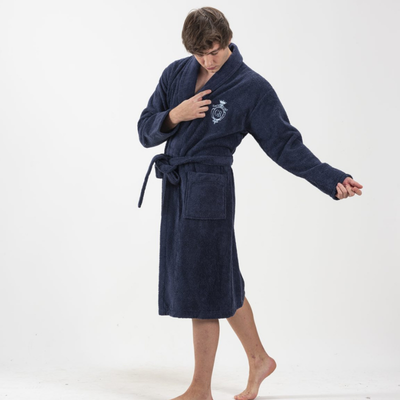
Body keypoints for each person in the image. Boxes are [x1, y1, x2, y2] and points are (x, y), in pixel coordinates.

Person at [138, 7, 363, 400]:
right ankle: (260, 359)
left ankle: (200, 389)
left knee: (203, 287)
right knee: (220, 278)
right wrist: (175, 115)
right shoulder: (175, 73)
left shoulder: (251, 87)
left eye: (214, 51)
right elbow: (145, 130)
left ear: (227, 39)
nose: (207, 60)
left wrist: (331, 178)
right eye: (199, 54)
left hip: (209, 188)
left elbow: (285, 145)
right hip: (176, 185)